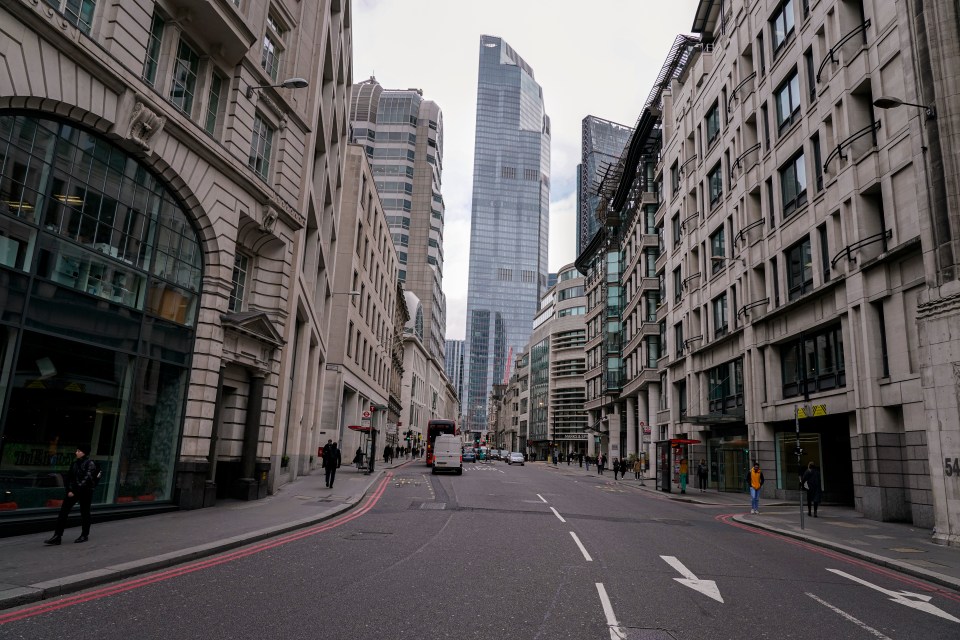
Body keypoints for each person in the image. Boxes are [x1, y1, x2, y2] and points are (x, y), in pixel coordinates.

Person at [44, 445, 97, 545]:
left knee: (85, 513)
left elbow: (86, 480)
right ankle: (57, 536)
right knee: (63, 512)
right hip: (72, 492)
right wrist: (68, 490)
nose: (76, 452)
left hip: (85, 492)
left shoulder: (90, 464)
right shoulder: (75, 463)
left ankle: (84, 535)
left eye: (78, 451)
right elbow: (68, 478)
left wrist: (75, 491)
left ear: (84, 452)